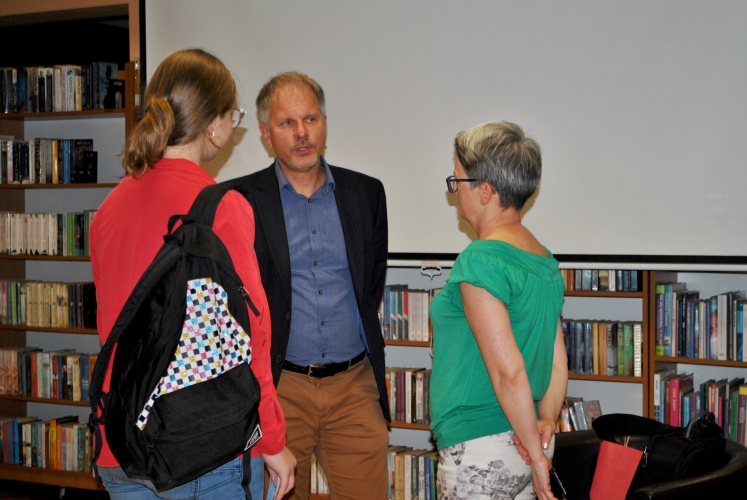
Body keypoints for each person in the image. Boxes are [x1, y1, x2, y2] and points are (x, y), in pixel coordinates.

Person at [90, 48, 295, 500]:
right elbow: (251, 337)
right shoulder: (221, 207)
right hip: (199, 447)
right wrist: (272, 439)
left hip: (120, 443)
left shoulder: (107, 211)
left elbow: (113, 330)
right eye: (233, 115)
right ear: (215, 124)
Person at [229, 71, 390, 499]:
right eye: (287, 123)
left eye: (311, 119)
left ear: (324, 123)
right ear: (265, 134)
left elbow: (371, 282)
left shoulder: (366, 193)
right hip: (278, 388)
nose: (302, 133)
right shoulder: (239, 201)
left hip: (354, 387)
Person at [429, 121, 568, 500]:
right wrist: (544, 423)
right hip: (529, 436)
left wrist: (537, 459)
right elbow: (557, 363)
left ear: (485, 191)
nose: (454, 191)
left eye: (457, 181)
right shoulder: (545, 261)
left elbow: (509, 372)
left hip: (480, 449)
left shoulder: (481, 259)